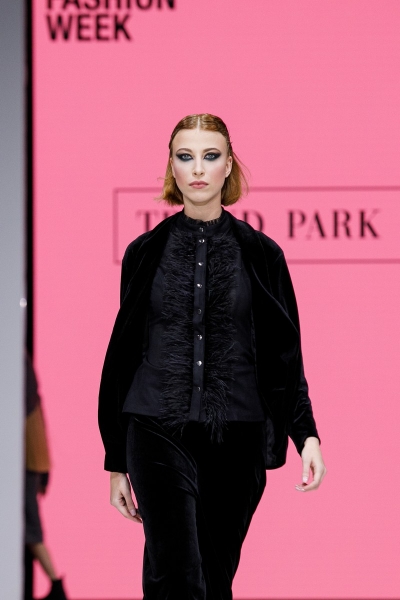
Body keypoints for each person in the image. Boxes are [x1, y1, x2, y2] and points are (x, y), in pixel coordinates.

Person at [98, 113, 327, 599]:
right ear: (172, 168)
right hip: (155, 428)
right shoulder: (144, 253)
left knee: (214, 580)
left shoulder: (263, 254)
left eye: (210, 156)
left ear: (228, 166)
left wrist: (305, 433)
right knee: (175, 575)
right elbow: (125, 354)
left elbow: (284, 354)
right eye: (186, 157)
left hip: (237, 435)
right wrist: (116, 458)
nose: (198, 168)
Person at [24, 351, 69, 600]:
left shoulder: (17, 364)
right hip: (31, 458)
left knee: (29, 527)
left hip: (27, 459)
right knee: (28, 527)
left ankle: (56, 586)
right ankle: (55, 586)